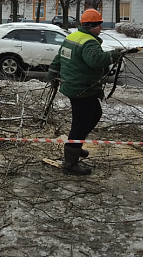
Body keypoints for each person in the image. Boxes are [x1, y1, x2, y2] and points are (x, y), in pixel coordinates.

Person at [46, 9, 137, 175]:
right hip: (82, 89)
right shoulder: (89, 42)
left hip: (74, 87)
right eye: (99, 24)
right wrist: (115, 55)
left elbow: (59, 57)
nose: (101, 27)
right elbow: (96, 61)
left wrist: (52, 74)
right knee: (81, 123)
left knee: (94, 114)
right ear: (91, 26)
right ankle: (70, 163)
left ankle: (75, 147)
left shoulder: (72, 37)